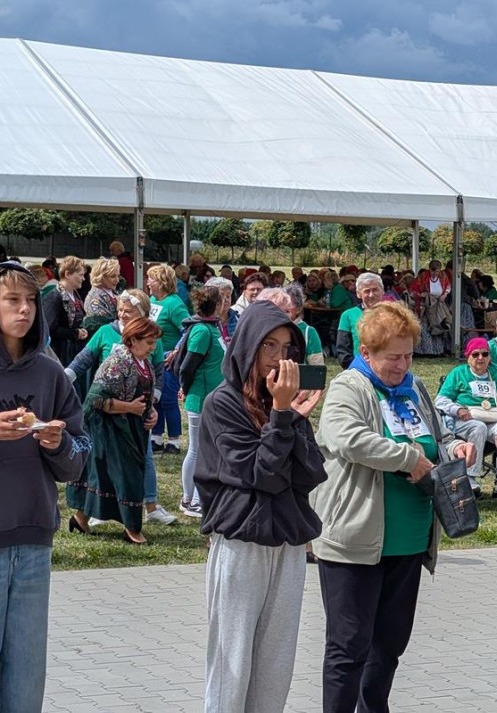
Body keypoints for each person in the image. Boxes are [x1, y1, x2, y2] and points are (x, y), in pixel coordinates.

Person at [311, 302, 475, 713]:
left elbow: (436, 437)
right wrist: (406, 459)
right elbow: (348, 439)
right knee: (349, 647)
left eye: (408, 355)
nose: (402, 365)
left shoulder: (414, 387)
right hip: (356, 539)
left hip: (410, 540)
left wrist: (455, 447)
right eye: (392, 357)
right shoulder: (349, 387)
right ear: (366, 353)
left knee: (389, 645)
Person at [196, 300, 326, 712]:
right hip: (242, 544)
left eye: (287, 348)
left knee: (275, 665)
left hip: (287, 543)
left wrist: (292, 418)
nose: (278, 357)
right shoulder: (222, 403)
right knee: (232, 664)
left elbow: (310, 474)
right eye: (269, 345)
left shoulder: (280, 402)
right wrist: (283, 416)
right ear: (248, 344)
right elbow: (261, 474)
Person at [0, 262, 88, 710]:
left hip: (34, 544)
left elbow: (80, 459)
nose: (24, 309)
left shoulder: (50, 373)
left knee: (25, 680)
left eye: (30, 300)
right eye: (12, 300)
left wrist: (57, 443)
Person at [65, 289, 176, 527]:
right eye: (120, 310)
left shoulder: (150, 338)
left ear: (142, 314)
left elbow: (157, 372)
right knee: (105, 464)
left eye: (129, 311)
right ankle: (95, 513)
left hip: (137, 415)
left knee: (142, 459)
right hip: (110, 414)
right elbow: (83, 360)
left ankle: (150, 505)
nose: (123, 315)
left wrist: (151, 405)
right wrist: (64, 379)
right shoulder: (106, 332)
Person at [436, 336, 497, 495]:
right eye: (475, 354)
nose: (480, 358)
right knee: (479, 427)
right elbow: (441, 400)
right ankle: (470, 477)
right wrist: (458, 410)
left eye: (485, 354)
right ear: (468, 357)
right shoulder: (458, 373)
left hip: (494, 418)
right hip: (465, 421)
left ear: (490, 357)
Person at [177, 285, 227, 517]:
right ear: (216, 305)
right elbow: (187, 367)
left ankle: (193, 498)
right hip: (201, 399)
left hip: (210, 398)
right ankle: (192, 500)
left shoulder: (211, 328)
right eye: (223, 299)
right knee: (198, 450)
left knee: (201, 449)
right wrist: (185, 389)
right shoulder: (202, 331)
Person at [146, 263, 189, 455]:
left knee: (169, 400)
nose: (148, 282)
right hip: (154, 359)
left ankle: (174, 440)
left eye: (151, 279)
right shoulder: (152, 300)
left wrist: (176, 351)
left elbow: (188, 330)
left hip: (168, 360)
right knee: (155, 398)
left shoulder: (174, 304)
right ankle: (156, 437)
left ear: (162, 282)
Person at [42, 255, 88, 371]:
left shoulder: (75, 295)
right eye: (80, 275)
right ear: (67, 274)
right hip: (59, 354)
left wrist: (80, 331)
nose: (83, 278)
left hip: (72, 352)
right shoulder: (54, 297)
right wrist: (75, 333)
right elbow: (49, 329)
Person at [336, 272, 385, 369]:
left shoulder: (393, 314)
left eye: (375, 290)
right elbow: (343, 351)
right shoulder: (348, 315)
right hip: (358, 369)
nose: (371, 295)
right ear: (358, 294)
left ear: (382, 291)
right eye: (367, 291)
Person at [282, 283, 325, 365]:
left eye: (289, 304)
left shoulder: (308, 332)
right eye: (282, 304)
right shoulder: (272, 329)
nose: (284, 308)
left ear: (298, 308)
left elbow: (317, 367)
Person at [82, 257, 121, 334]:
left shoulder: (112, 292)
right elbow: (101, 323)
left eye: (118, 276)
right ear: (101, 277)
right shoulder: (94, 297)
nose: (117, 280)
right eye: (113, 276)